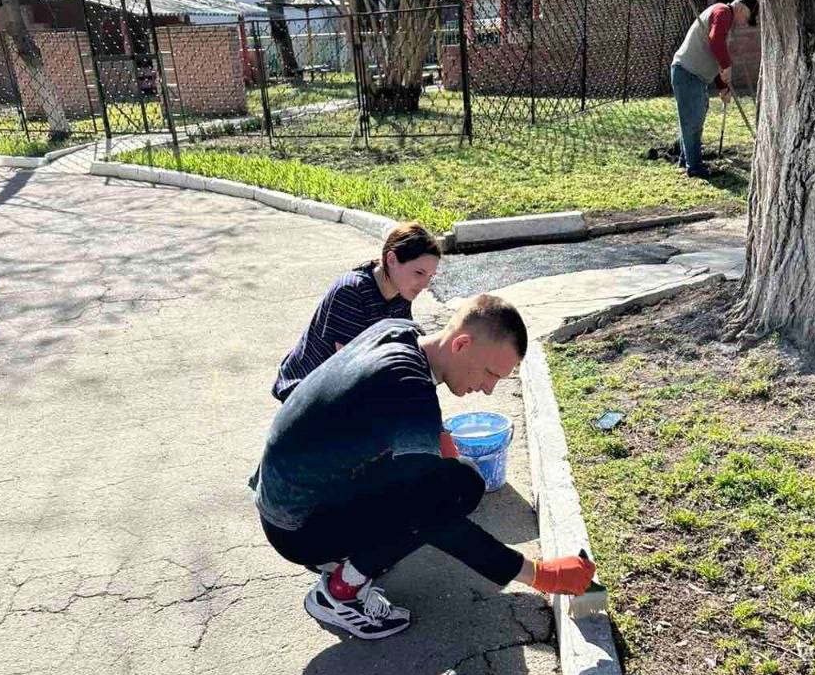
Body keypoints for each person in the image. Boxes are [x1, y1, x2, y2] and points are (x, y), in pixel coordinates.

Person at [251, 294, 597, 640]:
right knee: (443, 497)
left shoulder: (399, 333)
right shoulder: (409, 388)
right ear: (462, 344)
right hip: (297, 528)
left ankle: (350, 554)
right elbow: (436, 519)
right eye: (491, 374)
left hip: (285, 494)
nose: (489, 390)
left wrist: (443, 448)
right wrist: (540, 575)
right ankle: (340, 592)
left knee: (458, 481)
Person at [272, 221, 442, 402]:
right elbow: (351, 371)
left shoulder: (401, 293)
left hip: (339, 388)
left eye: (430, 276)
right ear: (391, 260)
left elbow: (402, 350)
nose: (425, 285)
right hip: (303, 391)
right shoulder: (351, 290)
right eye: (419, 273)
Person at [670, 0, 759, 179]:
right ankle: (694, 167)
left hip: (691, 76)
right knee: (693, 120)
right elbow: (715, 40)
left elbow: (716, 55)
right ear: (741, 9)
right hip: (687, 73)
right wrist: (728, 66)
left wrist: (723, 86)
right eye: (747, 18)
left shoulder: (724, 18)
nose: (744, 24)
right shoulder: (723, 12)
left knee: (693, 117)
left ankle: (686, 159)